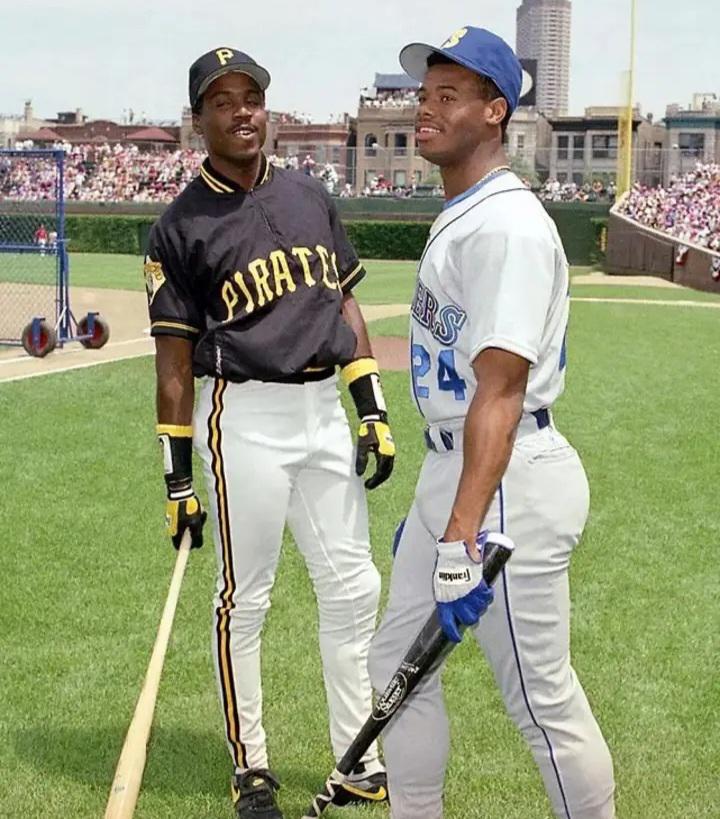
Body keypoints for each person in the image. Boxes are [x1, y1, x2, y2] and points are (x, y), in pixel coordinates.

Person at [368, 26, 616, 819]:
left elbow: (501, 390)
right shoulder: (469, 212)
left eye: (448, 96)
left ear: (494, 111)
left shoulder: (506, 224)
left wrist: (459, 530)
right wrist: (435, 507)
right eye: (423, 94)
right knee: (395, 667)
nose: (425, 110)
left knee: (541, 699)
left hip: (506, 481)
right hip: (462, 471)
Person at [144, 47, 395, 819]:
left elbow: (343, 310)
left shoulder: (310, 197)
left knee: (353, 587)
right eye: (223, 101)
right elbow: (174, 361)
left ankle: (359, 757)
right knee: (243, 599)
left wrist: (373, 407)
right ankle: (251, 767)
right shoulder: (179, 225)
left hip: (323, 409)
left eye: (251, 96)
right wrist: (177, 477)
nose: (242, 111)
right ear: (200, 121)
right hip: (243, 416)